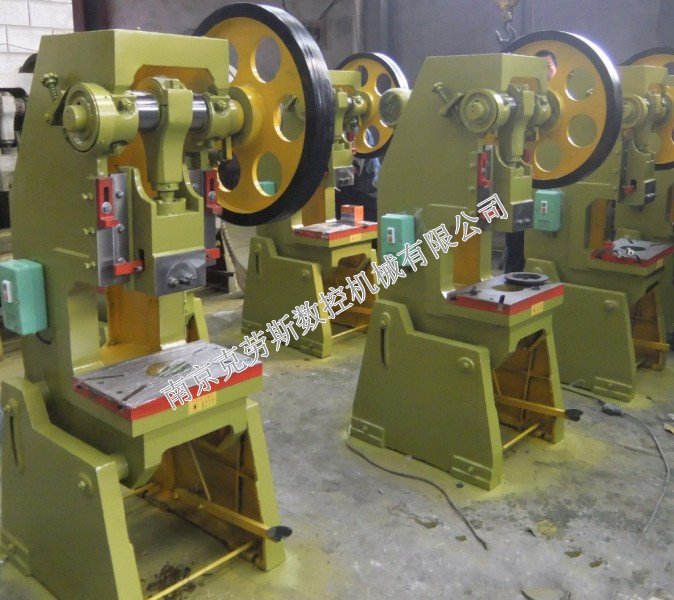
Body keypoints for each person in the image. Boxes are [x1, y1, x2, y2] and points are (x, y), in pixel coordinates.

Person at [503, 49, 557, 273]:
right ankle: (513, 275)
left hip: (555, 180)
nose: (544, 70)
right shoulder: (518, 97)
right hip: (521, 178)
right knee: (517, 233)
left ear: (556, 68)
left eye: (548, 65)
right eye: (539, 65)